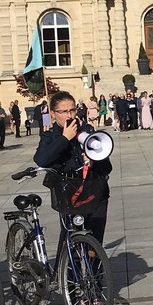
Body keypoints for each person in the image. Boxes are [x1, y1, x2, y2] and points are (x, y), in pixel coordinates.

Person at [34, 90, 112, 246]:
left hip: (95, 194)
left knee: (95, 244)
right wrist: (64, 139)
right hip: (69, 197)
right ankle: (70, 269)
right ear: (53, 114)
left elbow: (107, 167)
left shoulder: (87, 131)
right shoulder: (50, 136)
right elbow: (41, 160)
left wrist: (93, 161)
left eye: (72, 110)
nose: (69, 116)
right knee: (72, 243)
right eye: (63, 111)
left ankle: (97, 269)